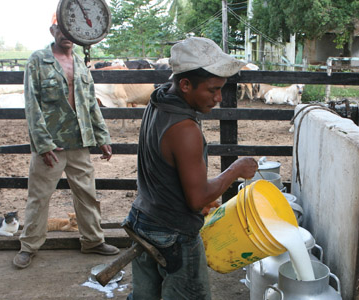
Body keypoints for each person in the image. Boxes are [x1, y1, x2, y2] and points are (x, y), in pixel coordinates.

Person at [124, 37, 258, 299]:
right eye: (212, 90)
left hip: (142, 219)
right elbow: (197, 199)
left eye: (221, 89)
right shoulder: (184, 129)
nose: (219, 98)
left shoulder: (159, 99)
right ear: (185, 84)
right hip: (173, 234)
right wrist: (235, 169)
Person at [13, 13, 119, 269]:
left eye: (72, 31)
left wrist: (102, 136)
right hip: (52, 146)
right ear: (53, 31)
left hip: (80, 142)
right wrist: (43, 143)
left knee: (87, 194)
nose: (67, 36)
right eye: (62, 30)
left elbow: (91, 102)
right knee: (39, 197)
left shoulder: (81, 63)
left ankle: (93, 241)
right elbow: (32, 104)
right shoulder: (38, 60)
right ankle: (29, 247)